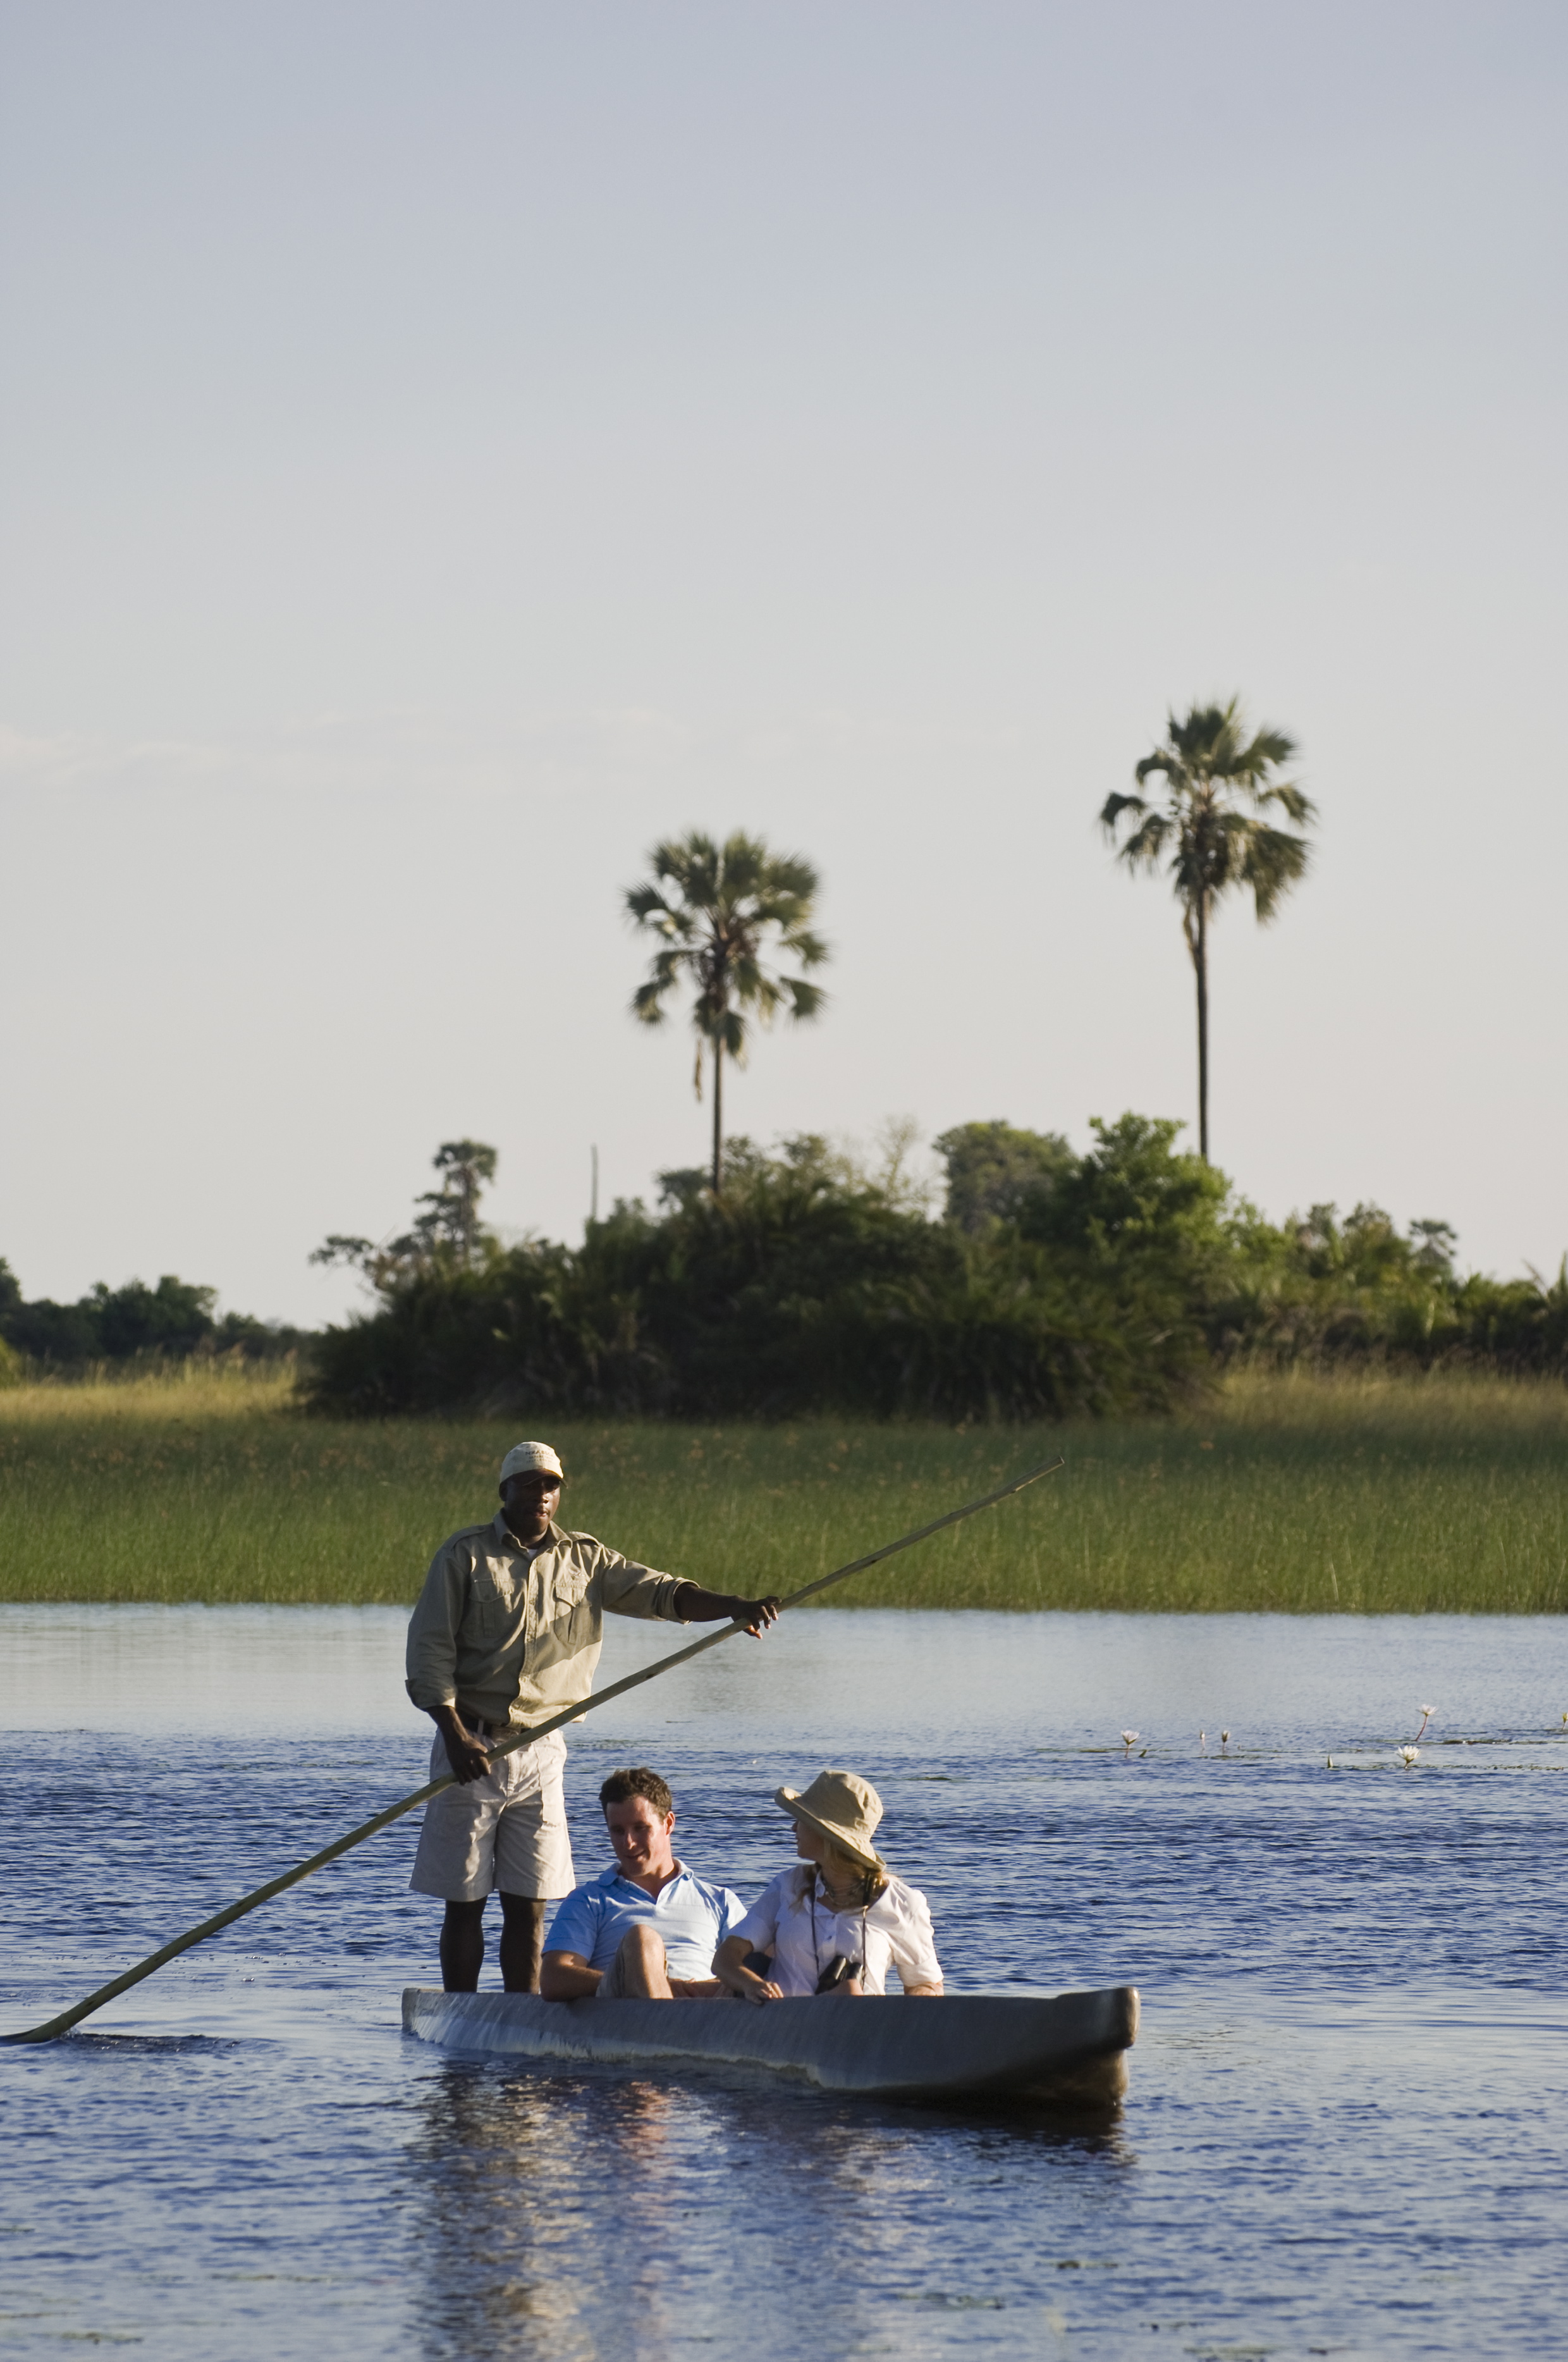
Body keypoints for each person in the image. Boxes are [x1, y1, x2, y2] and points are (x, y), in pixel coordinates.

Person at [405, 1441, 779, 1995]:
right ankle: (463, 2014)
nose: (541, 1494)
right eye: (529, 1484)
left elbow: (662, 1593)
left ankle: (523, 2017)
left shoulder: (586, 1557)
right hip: (472, 1745)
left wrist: (734, 1606)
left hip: (542, 1748)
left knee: (528, 1904)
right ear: (504, 1491)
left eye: (551, 1485)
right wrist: (454, 1733)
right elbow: (428, 1652)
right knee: (464, 1901)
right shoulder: (464, 1555)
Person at [714, 1768, 943, 2002]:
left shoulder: (902, 1903)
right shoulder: (787, 1886)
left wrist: (909, 2010)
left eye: (802, 1819)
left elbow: (926, 1984)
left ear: (826, 1834)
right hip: (782, 2028)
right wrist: (752, 1985)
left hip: (857, 2032)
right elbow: (725, 1959)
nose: (794, 1828)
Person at [539, 1766, 746, 1999]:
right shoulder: (588, 1900)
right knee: (642, 1939)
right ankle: (664, 2023)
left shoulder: (720, 1901)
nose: (628, 1843)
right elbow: (553, 1978)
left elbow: (761, 1969)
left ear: (668, 1824)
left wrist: (708, 1986)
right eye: (618, 1831)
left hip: (707, 2012)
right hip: (625, 2012)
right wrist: (650, 1980)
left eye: (640, 1828)